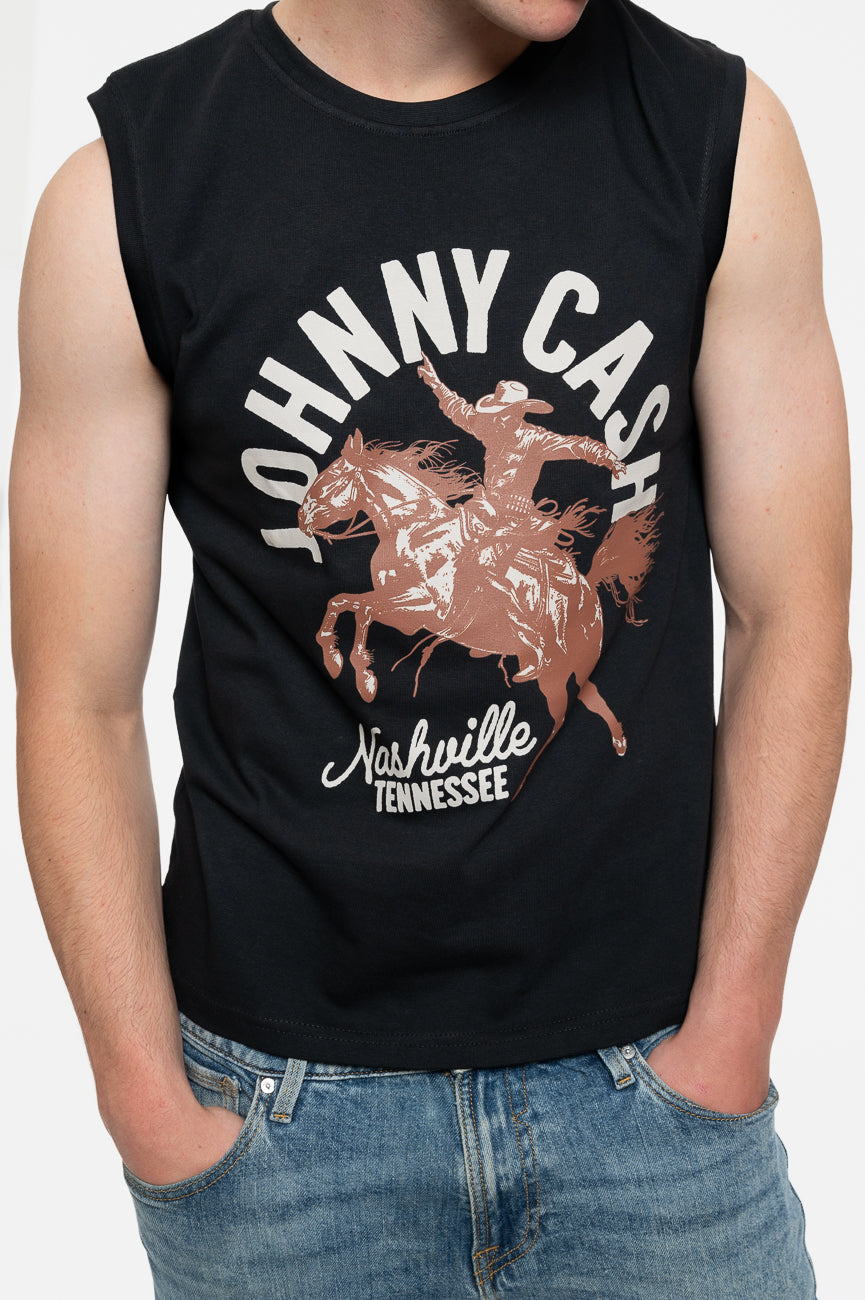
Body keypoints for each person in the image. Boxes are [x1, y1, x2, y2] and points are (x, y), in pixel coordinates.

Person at [9, 1, 850, 1296]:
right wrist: (148, 1106)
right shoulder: (127, 187)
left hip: (655, 1104)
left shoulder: (718, 138)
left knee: (500, 551)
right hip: (277, 1133)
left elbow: (793, 613)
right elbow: (75, 699)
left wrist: (731, 1033)